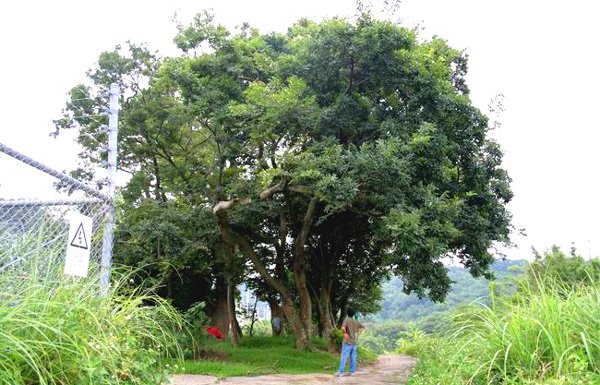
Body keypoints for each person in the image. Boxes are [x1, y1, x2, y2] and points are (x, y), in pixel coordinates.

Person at [336, 308, 365, 377]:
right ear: (353, 314)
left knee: (344, 356)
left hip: (347, 342)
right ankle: (353, 372)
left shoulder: (346, 320)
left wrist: (345, 333)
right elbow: (363, 327)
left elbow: (343, 328)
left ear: (347, 313)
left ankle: (341, 372)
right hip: (354, 342)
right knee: (353, 357)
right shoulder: (355, 321)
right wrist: (359, 332)